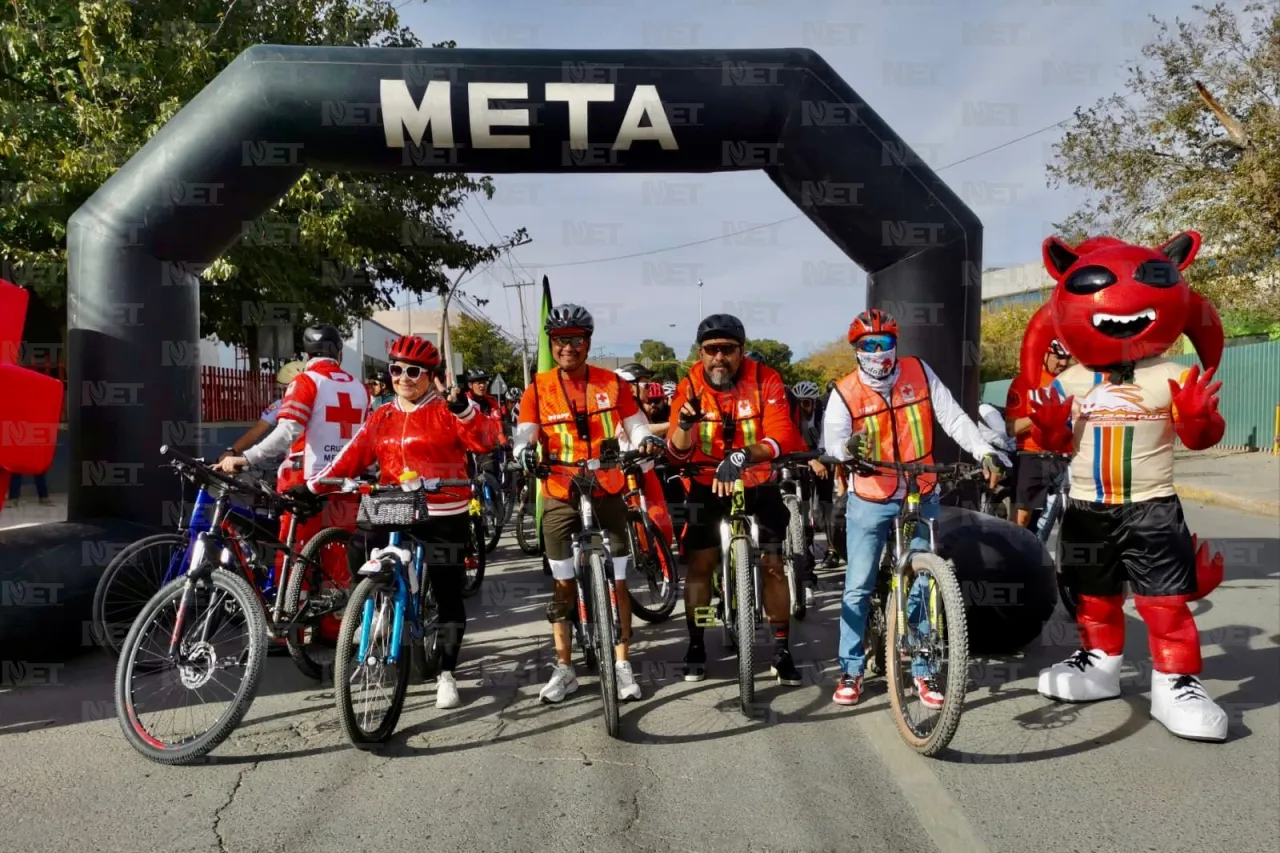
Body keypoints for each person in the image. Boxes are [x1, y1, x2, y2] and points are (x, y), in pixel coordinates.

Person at [1021, 231, 1229, 742]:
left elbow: (1200, 438)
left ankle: (1177, 681)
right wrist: (1047, 426)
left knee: (1166, 603)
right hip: (1088, 507)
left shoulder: (1174, 375)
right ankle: (1099, 664)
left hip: (1151, 506)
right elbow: (1056, 443)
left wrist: (1201, 419)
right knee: (1094, 596)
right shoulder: (1070, 381)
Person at [824, 309, 1009, 708]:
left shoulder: (919, 372)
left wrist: (984, 451)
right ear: (856, 350)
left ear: (896, 344)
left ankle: (923, 670)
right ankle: (850, 670)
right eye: (868, 345)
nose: (878, 352)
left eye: (885, 343)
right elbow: (832, 442)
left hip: (920, 491)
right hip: (871, 498)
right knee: (857, 586)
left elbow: (954, 418)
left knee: (924, 582)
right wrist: (847, 450)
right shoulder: (845, 391)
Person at [299, 335, 488, 709]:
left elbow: (484, 440)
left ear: (430, 375)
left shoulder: (446, 411)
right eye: (396, 369)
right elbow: (353, 455)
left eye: (413, 371)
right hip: (393, 505)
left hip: (442, 508)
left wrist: (464, 409)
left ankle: (447, 672)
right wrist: (313, 486)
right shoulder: (382, 414)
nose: (403, 377)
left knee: (448, 594)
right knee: (358, 546)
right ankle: (372, 602)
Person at [513, 305, 666, 704]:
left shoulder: (612, 383)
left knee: (617, 578)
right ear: (552, 344)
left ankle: (621, 664)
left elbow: (634, 423)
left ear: (588, 343)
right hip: (560, 490)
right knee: (562, 583)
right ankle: (564, 668)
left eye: (576, 339)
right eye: (561, 340)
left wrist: (646, 439)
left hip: (606, 485)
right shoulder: (537, 388)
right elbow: (525, 435)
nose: (568, 347)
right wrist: (525, 453)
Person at [667, 314, 806, 684]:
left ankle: (781, 650)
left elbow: (782, 436)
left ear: (740, 351)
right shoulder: (690, 384)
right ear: (701, 353)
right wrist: (684, 424)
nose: (719, 358)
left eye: (727, 350)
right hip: (705, 483)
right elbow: (677, 453)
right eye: (711, 350)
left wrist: (743, 455)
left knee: (774, 564)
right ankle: (697, 642)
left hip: (757, 481)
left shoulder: (766, 379)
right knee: (701, 564)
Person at [216, 325, 369, 640]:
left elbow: (287, 432)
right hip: (343, 483)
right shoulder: (360, 388)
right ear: (339, 354)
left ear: (306, 355)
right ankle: (334, 627)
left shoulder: (305, 381)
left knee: (293, 554)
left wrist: (246, 459)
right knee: (337, 555)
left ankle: (290, 632)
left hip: (304, 483)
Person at [1005, 339, 1072, 528]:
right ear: (1044, 353)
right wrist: (1039, 416)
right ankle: (1016, 557)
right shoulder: (1024, 382)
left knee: (1070, 520)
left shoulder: (1073, 381)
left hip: (1065, 458)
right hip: (1031, 455)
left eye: (1068, 358)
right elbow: (1012, 429)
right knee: (1021, 520)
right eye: (1059, 357)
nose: (1064, 363)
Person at [218, 361, 307, 466]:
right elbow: (256, 432)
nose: (285, 393)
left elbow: (283, 433)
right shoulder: (280, 404)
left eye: (285, 388)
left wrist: (247, 457)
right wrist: (232, 450)